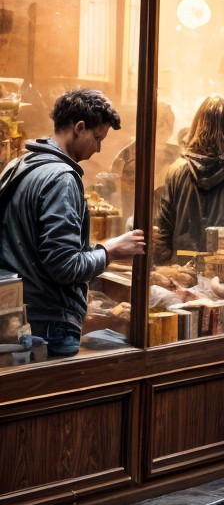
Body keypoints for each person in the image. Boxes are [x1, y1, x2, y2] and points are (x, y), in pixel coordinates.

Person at [0, 90, 146, 357]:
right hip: (48, 325)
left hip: (18, 317)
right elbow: (63, 265)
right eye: (98, 138)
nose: (99, 148)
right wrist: (109, 250)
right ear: (79, 128)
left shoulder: (18, 165)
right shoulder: (61, 179)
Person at [152, 96, 224, 260]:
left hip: (180, 274)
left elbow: (162, 234)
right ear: (219, 133)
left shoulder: (176, 171)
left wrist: (172, 273)